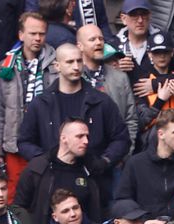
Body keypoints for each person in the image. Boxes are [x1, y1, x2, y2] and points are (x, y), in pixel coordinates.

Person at [16, 43, 129, 198]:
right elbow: (24, 141)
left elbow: (121, 138)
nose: (76, 66)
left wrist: (104, 161)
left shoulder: (101, 101)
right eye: (69, 62)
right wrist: (45, 160)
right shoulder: (41, 103)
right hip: (52, 184)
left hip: (95, 184)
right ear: (57, 66)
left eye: (79, 61)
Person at [0, 13, 55, 189]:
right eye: (33, 33)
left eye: (42, 34)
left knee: (47, 197)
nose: (38, 38)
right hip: (14, 147)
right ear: (21, 35)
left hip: (46, 146)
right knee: (14, 198)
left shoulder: (57, 65)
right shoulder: (5, 67)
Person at [14, 118, 105, 224]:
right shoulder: (38, 168)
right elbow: (20, 207)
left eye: (87, 136)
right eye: (80, 136)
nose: (86, 141)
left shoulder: (90, 169)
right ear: (63, 138)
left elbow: (97, 210)